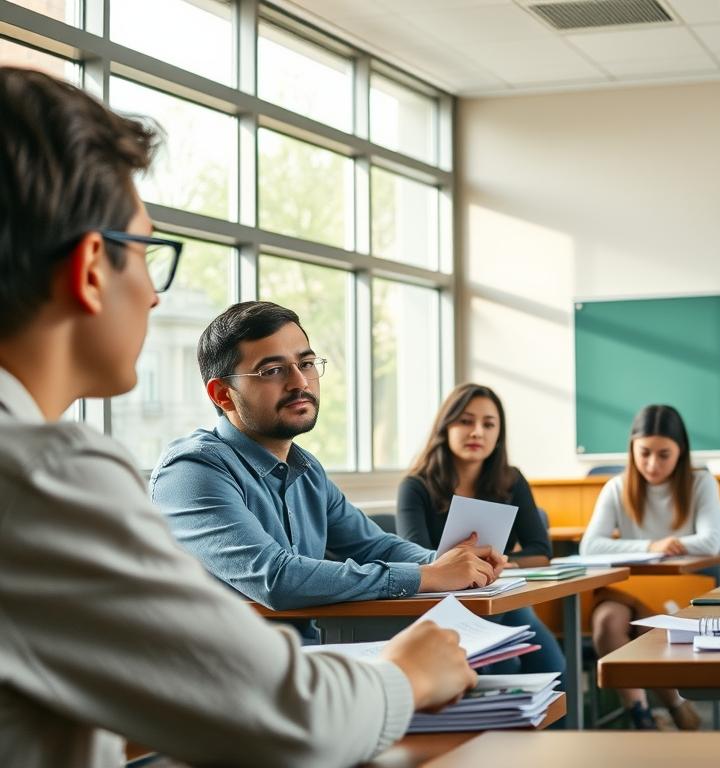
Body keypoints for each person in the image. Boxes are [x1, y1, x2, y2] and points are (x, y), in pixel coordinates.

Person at [0, 65, 473, 767]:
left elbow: (363, 548)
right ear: (94, 266)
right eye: (148, 252)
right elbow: (289, 714)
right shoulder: (44, 475)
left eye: (306, 362)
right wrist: (408, 673)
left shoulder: (302, 468)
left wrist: (437, 567)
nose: (156, 298)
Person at [150, 301, 504, 641]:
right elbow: (277, 578)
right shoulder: (192, 470)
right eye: (273, 371)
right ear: (223, 395)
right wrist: (426, 575)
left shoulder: (305, 469)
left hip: (307, 658)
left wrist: (457, 562)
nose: (300, 383)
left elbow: (373, 545)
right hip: (223, 678)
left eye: (305, 364)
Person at [398, 382, 564, 676]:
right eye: (466, 421)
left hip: (498, 592)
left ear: (498, 434)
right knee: (498, 666)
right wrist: (462, 565)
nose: (477, 432)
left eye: (488, 424)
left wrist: (498, 564)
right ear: (446, 426)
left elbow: (541, 551)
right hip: (440, 606)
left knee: (553, 666)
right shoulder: (415, 486)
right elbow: (415, 559)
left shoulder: (511, 480)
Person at [580, 404, 720, 730]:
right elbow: (590, 545)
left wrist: (669, 544)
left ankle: (673, 705)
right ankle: (641, 714)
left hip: (675, 591)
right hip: (625, 588)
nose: (651, 464)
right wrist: (651, 546)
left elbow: (712, 541)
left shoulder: (701, 483)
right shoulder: (617, 487)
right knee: (605, 622)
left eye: (663, 454)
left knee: (652, 624)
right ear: (631, 448)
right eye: (644, 453)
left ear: (681, 452)